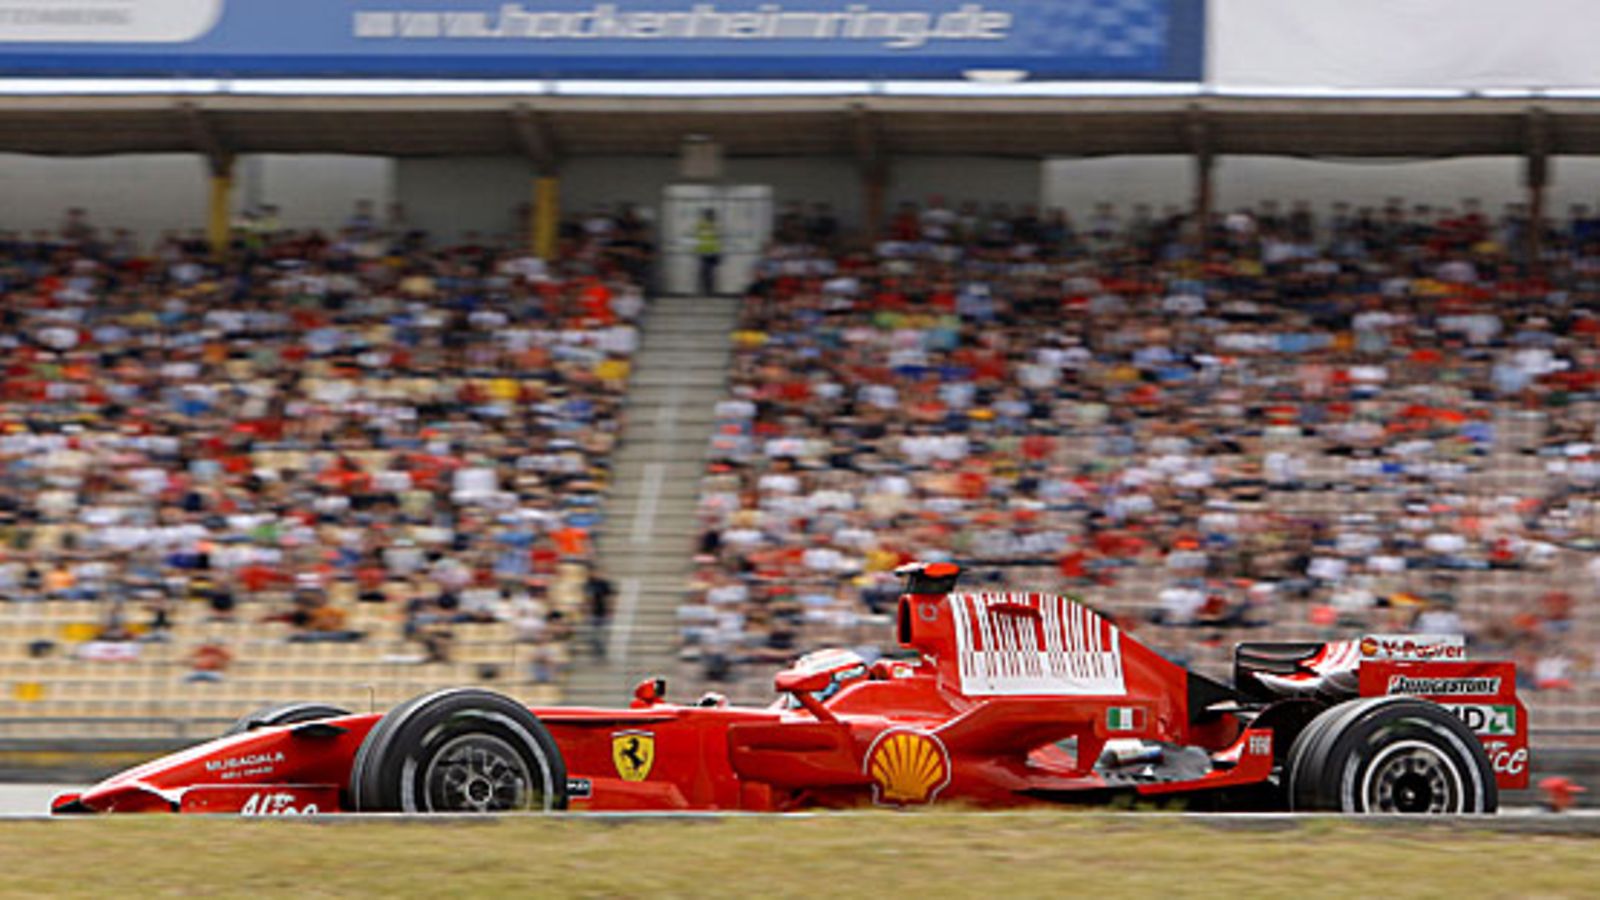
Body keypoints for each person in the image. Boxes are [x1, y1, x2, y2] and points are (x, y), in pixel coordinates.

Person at [585, 567, 615, 659]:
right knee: (592, 635)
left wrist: (610, 610)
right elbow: (586, 599)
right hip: (593, 613)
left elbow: (610, 598)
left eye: (598, 572)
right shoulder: (589, 584)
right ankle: (598, 651)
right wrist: (587, 611)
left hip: (603, 612)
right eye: (594, 572)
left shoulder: (604, 584)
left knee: (602, 634)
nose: (596, 574)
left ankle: (601, 652)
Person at [694, 208, 722, 296]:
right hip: (707, 254)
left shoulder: (703, 225)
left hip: (708, 254)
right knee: (707, 273)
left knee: (706, 273)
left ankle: (707, 291)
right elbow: (698, 239)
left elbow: (716, 241)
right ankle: (708, 291)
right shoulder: (712, 226)